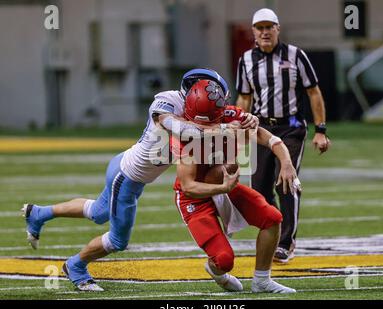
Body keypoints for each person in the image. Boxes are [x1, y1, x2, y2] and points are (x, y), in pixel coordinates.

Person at [22, 68, 259, 291]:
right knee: (117, 240)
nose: (216, 107)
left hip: (127, 166)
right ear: (195, 93)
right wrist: (214, 131)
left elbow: (226, 119)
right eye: (212, 100)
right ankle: (75, 265)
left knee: (97, 212)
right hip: (127, 176)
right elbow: (175, 125)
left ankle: (38, 214)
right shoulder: (168, 102)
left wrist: (249, 119)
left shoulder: (197, 110)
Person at [173, 79, 297, 293]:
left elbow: (269, 139)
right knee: (223, 260)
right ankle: (216, 272)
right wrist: (222, 187)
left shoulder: (233, 116)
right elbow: (188, 186)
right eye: (201, 124)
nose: (205, 128)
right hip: (195, 198)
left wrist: (286, 163)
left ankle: (262, 281)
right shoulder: (185, 136)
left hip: (226, 185)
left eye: (210, 122)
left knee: (272, 218)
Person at [235, 8, 331, 263]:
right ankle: (275, 229)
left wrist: (320, 130)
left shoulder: (295, 55)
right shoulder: (245, 60)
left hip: (290, 128)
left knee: (285, 181)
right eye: (260, 28)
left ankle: (287, 241)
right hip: (260, 130)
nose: (265, 32)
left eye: (269, 27)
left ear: (278, 28)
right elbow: (245, 97)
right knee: (259, 189)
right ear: (253, 31)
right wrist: (237, 131)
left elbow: (314, 92)